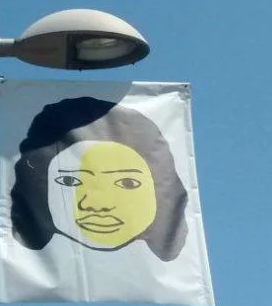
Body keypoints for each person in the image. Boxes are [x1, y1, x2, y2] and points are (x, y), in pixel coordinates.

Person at [10, 96, 188, 262]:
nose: (98, 205)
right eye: (70, 181)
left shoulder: (180, 274)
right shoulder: (24, 268)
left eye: (127, 183)